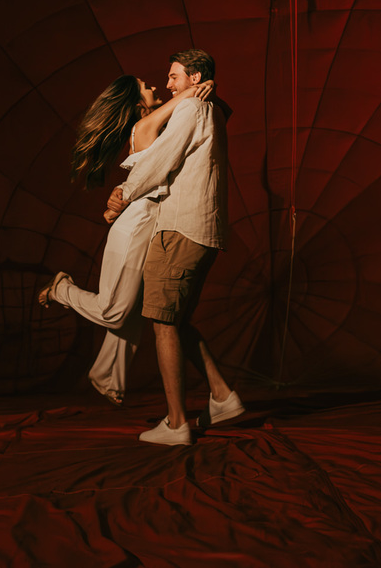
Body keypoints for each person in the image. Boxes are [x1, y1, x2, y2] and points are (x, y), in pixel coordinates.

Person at [37, 74, 213, 406]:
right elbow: (187, 100)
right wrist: (203, 85)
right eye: (147, 88)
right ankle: (62, 289)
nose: (157, 88)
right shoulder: (143, 127)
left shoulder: (161, 128)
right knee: (115, 311)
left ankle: (107, 375)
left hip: (148, 222)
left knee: (134, 310)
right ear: (137, 106)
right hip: (136, 225)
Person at [107, 48, 244, 446]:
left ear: (195, 78)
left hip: (180, 229)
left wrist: (124, 190)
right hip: (205, 231)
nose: (167, 85)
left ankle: (177, 422)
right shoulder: (210, 109)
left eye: (174, 77)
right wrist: (199, 92)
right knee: (177, 321)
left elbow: (164, 157)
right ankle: (222, 397)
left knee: (163, 324)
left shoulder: (192, 111)